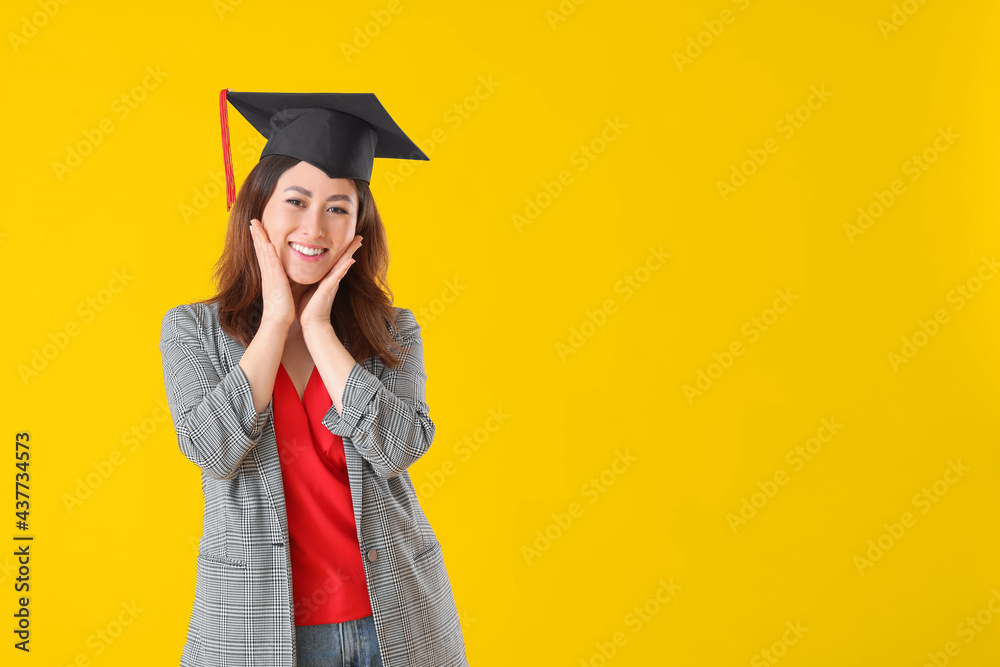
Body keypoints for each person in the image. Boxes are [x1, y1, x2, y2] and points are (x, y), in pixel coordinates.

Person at [159, 90, 468, 667]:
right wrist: (277, 320)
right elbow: (212, 447)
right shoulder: (193, 331)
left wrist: (321, 330)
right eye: (296, 201)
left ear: (358, 224)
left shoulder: (392, 330)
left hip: (397, 621)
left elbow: (399, 447)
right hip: (256, 625)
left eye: (337, 207)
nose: (315, 225)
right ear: (258, 210)